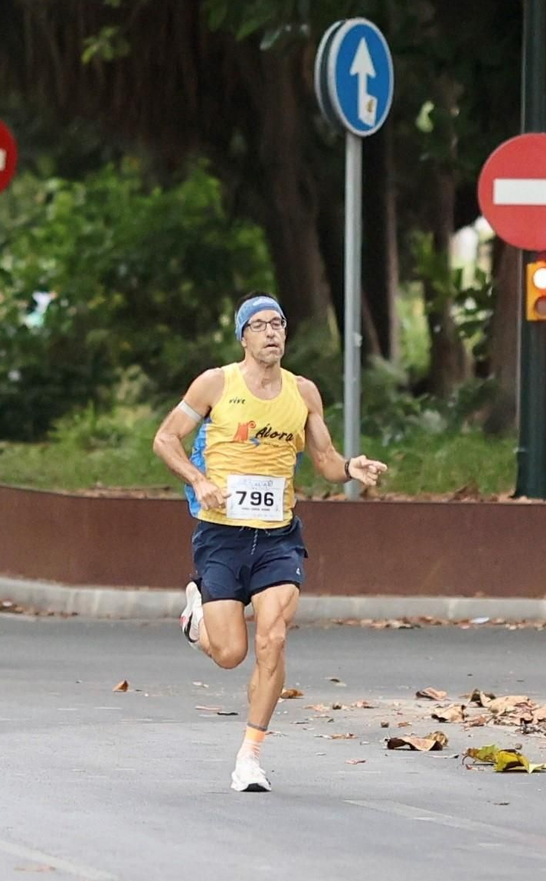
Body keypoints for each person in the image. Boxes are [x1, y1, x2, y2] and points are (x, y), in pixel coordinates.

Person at [151, 293, 388, 792]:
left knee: (273, 638)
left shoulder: (303, 393)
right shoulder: (217, 383)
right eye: (259, 325)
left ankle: (250, 757)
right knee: (231, 652)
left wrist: (350, 468)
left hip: (279, 536)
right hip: (221, 536)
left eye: (277, 323)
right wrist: (198, 480)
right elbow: (165, 439)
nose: (271, 332)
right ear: (243, 336)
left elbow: (323, 459)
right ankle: (198, 620)